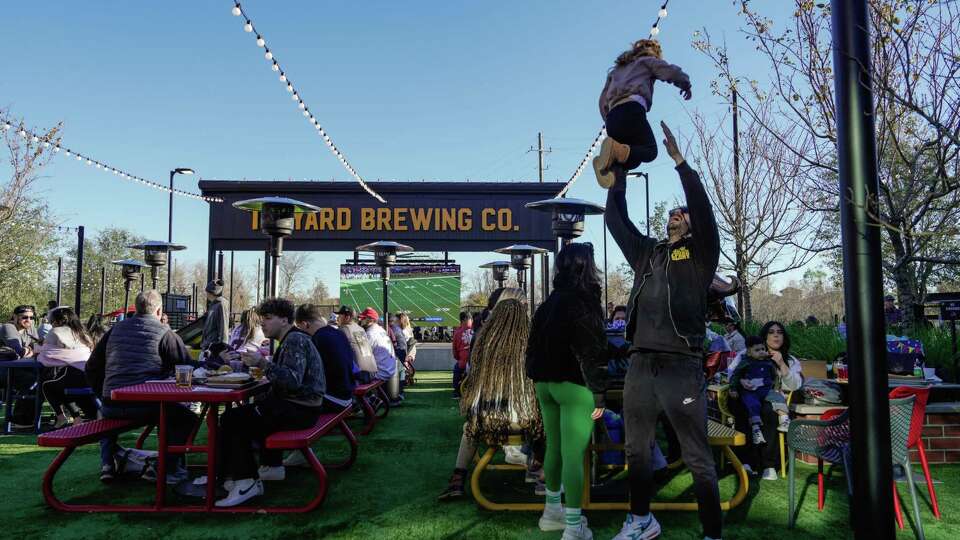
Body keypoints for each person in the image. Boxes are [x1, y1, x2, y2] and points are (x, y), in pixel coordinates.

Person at [603, 121, 722, 540]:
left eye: (681, 213)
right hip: (640, 363)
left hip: (681, 365)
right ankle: (641, 520)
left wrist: (681, 164)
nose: (675, 214)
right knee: (635, 448)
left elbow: (704, 213)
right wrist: (616, 179)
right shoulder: (648, 254)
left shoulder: (702, 255)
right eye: (672, 212)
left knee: (696, 455)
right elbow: (616, 224)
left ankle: (712, 533)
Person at [208, 297, 326, 507]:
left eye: (268, 318)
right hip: (303, 407)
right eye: (262, 319)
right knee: (247, 412)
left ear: (284, 320)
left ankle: (244, 482)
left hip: (301, 410)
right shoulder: (293, 339)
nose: (262, 323)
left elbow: (291, 381)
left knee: (232, 419)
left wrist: (262, 363)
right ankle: (265, 468)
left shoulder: (294, 340)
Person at [526, 243, 609, 540]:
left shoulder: (548, 304)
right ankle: (574, 526)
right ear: (587, 267)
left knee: (555, 448)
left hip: (544, 384)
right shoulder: (585, 302)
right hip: (574, 385)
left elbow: (532, 347)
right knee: (574, 455)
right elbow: (594, 352)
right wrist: (599, 393)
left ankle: (552, 513)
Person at [438, 288, 542, 501]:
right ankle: (540, 468)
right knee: (550, 418)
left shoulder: (483, 340)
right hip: (522, 420)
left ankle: (457, 478)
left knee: (470, 426)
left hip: (483, 418)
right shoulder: (531, 339)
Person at [85, 290, 197, 483]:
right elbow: (184, 368)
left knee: (105, 415)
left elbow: (92, 367)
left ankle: (108, 464)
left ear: (136, 308)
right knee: (186, 419)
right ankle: (165, 467)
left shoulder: (115, 330)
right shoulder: (165, 333)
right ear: (160, 310)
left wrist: (104, 393)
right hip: (147, 405)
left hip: (111, 404)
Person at [593, 39, 692, 188]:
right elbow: (670, 72)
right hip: (632, 110)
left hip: (613, 118)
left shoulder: (616, 71)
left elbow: (602, 101)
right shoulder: (647, 61)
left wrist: (609, 122)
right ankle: (614, 152)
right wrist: (685, 84)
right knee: (650, 151)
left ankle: (607, 169)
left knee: (628, 160)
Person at [726, 321, 804, 481]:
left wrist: (781, 363)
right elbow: (730, 373)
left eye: (779, 332)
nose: (776, 335)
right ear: (764, 336)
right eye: (771, 332)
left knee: (769, 412)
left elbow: (795, 385)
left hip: (771, 396)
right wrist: (740, 382)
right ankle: (746, 461)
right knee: (744, 407)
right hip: (746, 394)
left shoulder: (790, 360)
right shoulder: (746, 354)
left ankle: (769, 465)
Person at [37, 307, 97, 427]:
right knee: (60, 384)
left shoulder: (55, 331)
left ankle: (61, 417)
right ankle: (76, 419)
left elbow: (47, 356)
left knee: (46, 384)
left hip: (73, 375)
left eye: (51, 321)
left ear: (57, 321)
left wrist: (36, 349)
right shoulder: (83, 332)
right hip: (89, 375)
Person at [294, 304, 355, 413]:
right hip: (348, 395)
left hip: (335, 399)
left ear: (305, 324)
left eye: (299, 327)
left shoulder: (317, 339)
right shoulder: (339, 333)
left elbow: (303, 373)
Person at [729, 336, 784, 445]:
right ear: (749, 352)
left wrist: (777, 387)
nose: (761, 352)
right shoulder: (746, 362)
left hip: (766, 389)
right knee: (752, 404)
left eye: (763, 349)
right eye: (757, 350)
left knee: (778, 398)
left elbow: (775, 376)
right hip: (751, 390)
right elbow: (736, 375)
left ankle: (785, 418)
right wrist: (734, 388)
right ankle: (756, 428)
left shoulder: (769, 362)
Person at [335, 306, 377, 383]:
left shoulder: (343, 330)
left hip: (360, 375)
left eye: (340, 315)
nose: (338, 318)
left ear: (347, 317)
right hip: (373, 371)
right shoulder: (361, 329)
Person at [357, 308, 396, 383]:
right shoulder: (381, 330)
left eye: (363, 318)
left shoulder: (370, 334)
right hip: (390, 369)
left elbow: (362, 356)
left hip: (380, 373)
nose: (360, 320)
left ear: (371, 320)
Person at [200, 279, 229, 354]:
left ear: (210, 292)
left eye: (207, 292)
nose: (206, 294)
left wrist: (222, 345)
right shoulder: (213, 305)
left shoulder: (221, 304)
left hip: (213, 347)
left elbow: (224, 325)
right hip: (208, 345)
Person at [451, 312, 473, 399]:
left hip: (463, 362)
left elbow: (455, 351)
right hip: (477, 361)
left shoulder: (457, 332)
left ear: (462, 320)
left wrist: (459, 358)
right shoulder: (478, 329)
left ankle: (456, 392)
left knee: (457, 370)